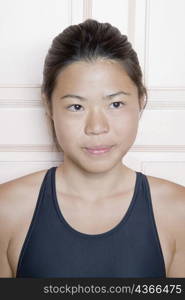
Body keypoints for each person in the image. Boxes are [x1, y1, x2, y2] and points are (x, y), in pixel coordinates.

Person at [0, 19, 185, 278]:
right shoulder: (6, 209)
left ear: (141, 100)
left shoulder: (179, 211)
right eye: (76, 107)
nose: (96, 127)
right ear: (49, 106)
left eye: (116, 104)